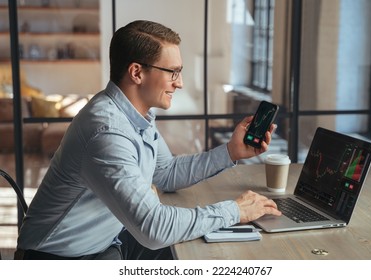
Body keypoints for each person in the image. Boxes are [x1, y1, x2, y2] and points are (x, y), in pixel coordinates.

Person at [15, 20, 281, 260]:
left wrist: (231, 152)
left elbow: (165, 172)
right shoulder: (107, 131)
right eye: (173, 72)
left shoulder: (135, 114)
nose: (180, 83)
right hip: (63, 260)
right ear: (137, 73)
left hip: (107, 241)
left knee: (204, 247)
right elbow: (154, 228)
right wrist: (235, 210)